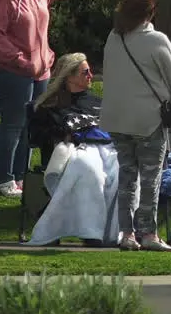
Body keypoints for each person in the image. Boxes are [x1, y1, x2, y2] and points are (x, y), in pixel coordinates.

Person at [0, 0, 103, 197]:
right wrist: (23, 62)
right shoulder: (4, 0)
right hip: (11, 72)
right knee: (13, 123)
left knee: (30, 124)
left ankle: (20, 176)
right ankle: (3, 178)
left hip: (39, 73)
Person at [101, 0, 171, 252]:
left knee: (126, 177)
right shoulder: (156, 39)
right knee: (150, 179)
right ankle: (148, 234)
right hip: (147, 120)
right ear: (151, 11)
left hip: (117, 119)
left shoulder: (114, 37)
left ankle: (126, 234)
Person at [26, 53, 120, 247]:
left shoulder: (98, 102)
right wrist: (61, 132)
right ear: (69, 76)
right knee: (89, 170)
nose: (91, 75)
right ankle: (90, 232)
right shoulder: (49, 106)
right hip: (74, 150)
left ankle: (113, 233)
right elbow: (36, 138)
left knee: (121, 172)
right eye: (85, 72)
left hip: (108, 149)